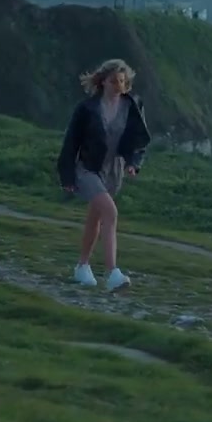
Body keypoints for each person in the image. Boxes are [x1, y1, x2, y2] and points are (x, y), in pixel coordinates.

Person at [56, 58, 152, 291]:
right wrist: (67, 176)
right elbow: (71, 142)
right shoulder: (87, 108)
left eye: (122, 81)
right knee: (110, 212)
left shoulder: (132, 105)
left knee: (95, 219)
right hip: (88, 168)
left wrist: (133, 163)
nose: (119, 86)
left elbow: (139, 139)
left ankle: (82, 267)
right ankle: (112, 274)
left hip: (113, 170)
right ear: (103, 82)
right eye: (113, 81)